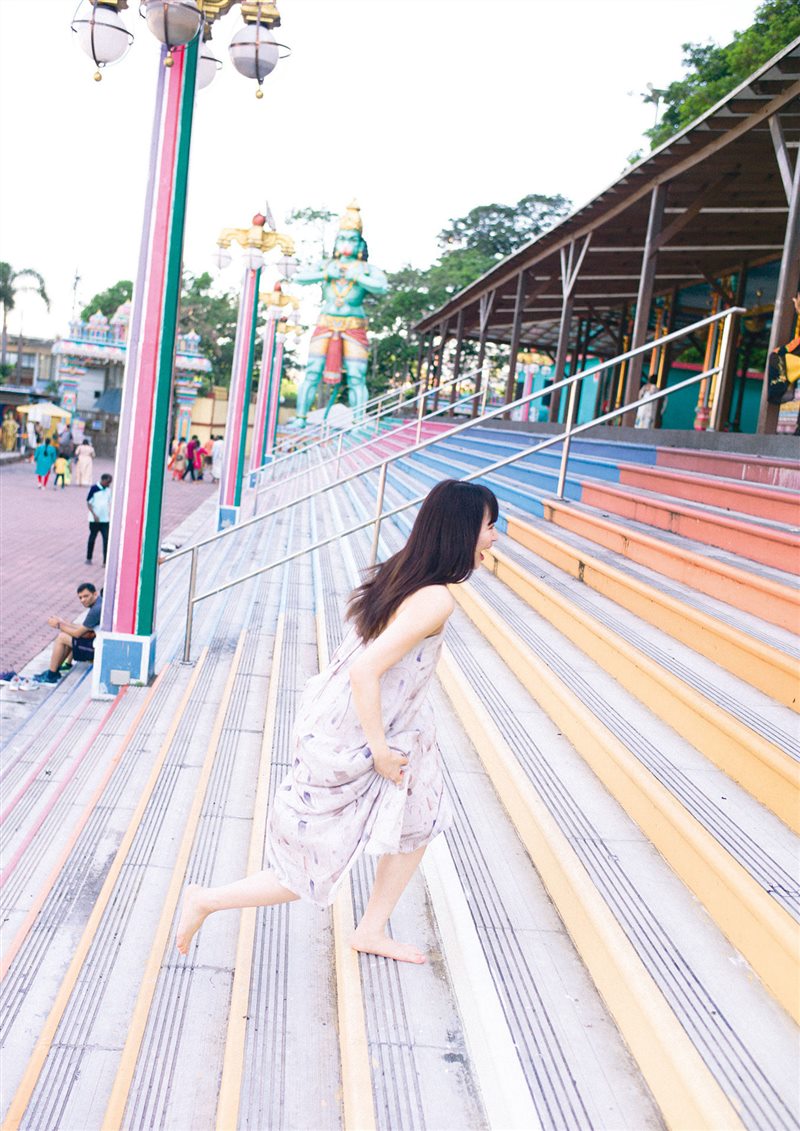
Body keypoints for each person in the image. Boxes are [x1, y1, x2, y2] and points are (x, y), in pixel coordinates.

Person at [176, 479, 499, 962]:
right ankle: (206, 900)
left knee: (421, 819)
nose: (494, 537)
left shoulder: (404, 572)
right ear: (461, 530)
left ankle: (370, 930)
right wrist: (380, 752)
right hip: (365, 734)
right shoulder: (435, 598)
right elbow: (365, 670)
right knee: (310, 866)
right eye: (489, 526)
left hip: (392, 725)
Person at [293, 201, 388, 427]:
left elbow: (382, 287)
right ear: (336, 242)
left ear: (360, 244)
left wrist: (359, 278)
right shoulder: (326, 265)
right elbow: (298, 277)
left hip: (354, 325)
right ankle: (300, 417)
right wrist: (326, 274)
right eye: (342, 238)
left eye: (352, 239)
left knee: (356, 376)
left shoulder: (366, 269)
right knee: (312, 372)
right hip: (326, 322)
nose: (347, 244)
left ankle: (359, 420)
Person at [33, 582, 103, 684]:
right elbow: (84, 629)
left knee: (62, 637)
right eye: (80, 598)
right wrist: (63, 622)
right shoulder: (99, 603)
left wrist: (58, 625)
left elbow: (78, 633)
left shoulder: (96, 610)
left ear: (95, 594)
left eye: (86, 596)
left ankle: (51, 675)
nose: (83, 600)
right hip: (98, 644)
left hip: (97, 651)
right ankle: (56, 670)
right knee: (66, 632)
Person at [86, 473, 113, 565]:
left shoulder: (108, 490)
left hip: (105, 520)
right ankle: (89, 557)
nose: (109, 484)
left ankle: (105, 561)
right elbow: (89, 503)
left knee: (106, 540)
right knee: (92, 538)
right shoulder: (94, 488)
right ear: (103, 480)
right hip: (94, 520)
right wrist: (94, 515)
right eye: (108, 482)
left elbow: (110, 502)